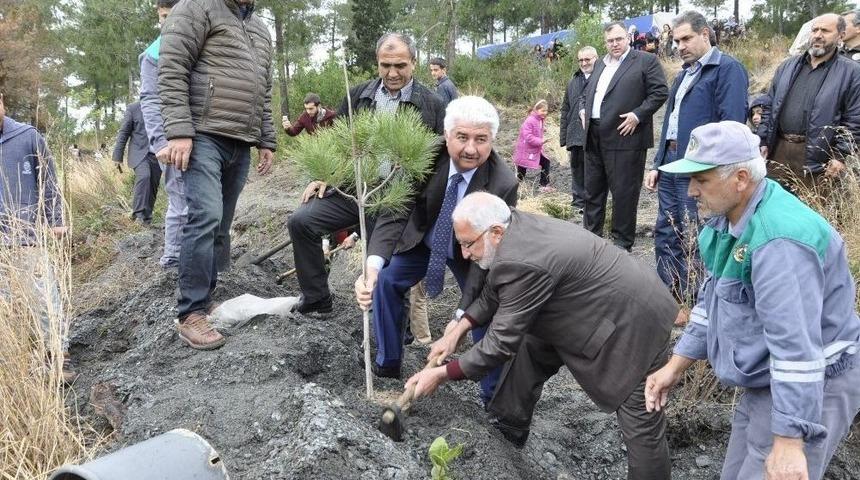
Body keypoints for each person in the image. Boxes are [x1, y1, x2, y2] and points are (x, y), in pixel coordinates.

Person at [405, 192, 677, 478]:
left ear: (495, 232)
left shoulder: (520, 261)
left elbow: (499, 343)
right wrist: (459, 329)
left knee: (641, 423)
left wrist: (441, 374)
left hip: (633, 325)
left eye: (467, 244)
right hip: (592, 307)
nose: (464, 254)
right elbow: (494, 290)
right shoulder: (513, 226)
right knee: (531, 344)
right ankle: (508, 427)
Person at [647, 120, 860, 480]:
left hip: (813, 383)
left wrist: (791, 438)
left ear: (741, 178)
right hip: (766, 379)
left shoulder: (779, 242)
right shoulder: (728, 220)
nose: (691, 192)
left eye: (701, 180)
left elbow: (796, 347)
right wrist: (675, 366)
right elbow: (712, 303)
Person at [354, 97, 518, 407]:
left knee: (485, 310)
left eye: (481, 140)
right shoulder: (424, 156)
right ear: (446, 135)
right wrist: (372, 266)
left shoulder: (502, 183)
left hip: (472, 253)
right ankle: (387, 364)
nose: (471, 149)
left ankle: (493, 397)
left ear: (492, 140)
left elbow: (486, 261)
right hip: (425, 238)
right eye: (462, 137)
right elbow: (395, 212)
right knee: (387, 281)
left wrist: (461, 317)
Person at [287, 32, 445, 315]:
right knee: (301, 221)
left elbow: (436, 162)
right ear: (377, 62)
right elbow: (339, 142)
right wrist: (327, 174)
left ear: (414, 62)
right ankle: (317, 299)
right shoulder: (358, 96)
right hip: (355, 190)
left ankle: (397, 332)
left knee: (386, 264)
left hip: (399, 199)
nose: (392, 72)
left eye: (400, 65)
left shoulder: (431, 104)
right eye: (385, 65)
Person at [159, 0, 275, 350]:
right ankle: (190, 313)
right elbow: (172, 67)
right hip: (203, 134)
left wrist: (266, 139)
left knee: (221, 223)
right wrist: (179, 131)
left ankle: (206, 297)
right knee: (205, 215)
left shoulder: (260, 28)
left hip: (240, 139)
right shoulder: (196, 8)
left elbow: (264, 91)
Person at [645, 11, 749, 304]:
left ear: (706, 34)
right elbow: (670, 122)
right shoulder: (683, 74)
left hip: (700, 167)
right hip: (670, 164)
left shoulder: (727, 69)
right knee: (668, 230)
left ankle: (705, 301)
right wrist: (657, 164)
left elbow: (732, 126)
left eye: (687, 38)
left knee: (701, 235)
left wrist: (713, 171)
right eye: (676, 40)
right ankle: (671, 298)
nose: (680, 46)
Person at [0, 92, 76, 382]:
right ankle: (13, 367)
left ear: (3, 100)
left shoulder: (28, 137)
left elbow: (49, 182)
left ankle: (58, 357)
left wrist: (56, 221)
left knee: (45, 300)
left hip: (27, 236)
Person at [580, 21, 668, 252]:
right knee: (592, 192)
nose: (615, 44)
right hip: (594, 135)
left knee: (624, 193)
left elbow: (660, 92)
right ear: (605, 43)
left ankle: (621, 246)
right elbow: (587, 93)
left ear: (628, 38)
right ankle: (590, 242)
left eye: (619, 39)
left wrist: (638, 115)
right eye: (610, 40)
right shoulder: (599, 64)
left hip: (626, 135)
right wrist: (583, 110)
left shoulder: (645, 61)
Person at [758, 13, 860, 192]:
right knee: (775, 206)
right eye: (815, 30)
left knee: (810, 212)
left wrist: (840, 155)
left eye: (825, 31)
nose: (818, 35)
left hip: (817, 157)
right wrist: (763, 140)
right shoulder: (787, 66)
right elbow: (769, 104)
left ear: (841, 36)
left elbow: (855, 118)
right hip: (778, 151)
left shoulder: (851, 72)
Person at [140, 0, 185, 269]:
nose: (165, 23)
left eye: (170, 16)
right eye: (162, 17)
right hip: (170, 141)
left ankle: (209, 262)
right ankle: (172, 262)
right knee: (181, 201)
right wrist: (160, 142)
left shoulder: (197, 43)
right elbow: (151, 100)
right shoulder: (154, 53)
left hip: (198, 137)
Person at [560, 46, 598, 211]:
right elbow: (565, 109)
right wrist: (564, 137)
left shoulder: (602, 78)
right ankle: (578, 203)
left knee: (594, 171)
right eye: (581, 60)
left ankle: (592, 203)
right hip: (574, 135)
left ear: (596, 58)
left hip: (595, 135)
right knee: (577, 170)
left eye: (587, 59)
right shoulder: (573, 81)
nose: (583, 63)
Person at [113, 102, 161, 225]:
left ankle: (147, 218)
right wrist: (117, 157)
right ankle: (138, 215)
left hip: (159, 154)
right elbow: (123, 132)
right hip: (139, 153)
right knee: (144, 176)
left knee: (153, 185)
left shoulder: (163, 107)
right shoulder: (133, 108)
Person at [514, 100, 553, 192]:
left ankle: (543, 185)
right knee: (522, 169)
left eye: (546, 111)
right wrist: (541, 141)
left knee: (546, 162)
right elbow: (528, 137)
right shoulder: (530, 120)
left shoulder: (539, 120)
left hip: (534, 149)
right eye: (543, 110)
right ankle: (514, 186)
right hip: (526, 150)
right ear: (536, 110)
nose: (545, 113)